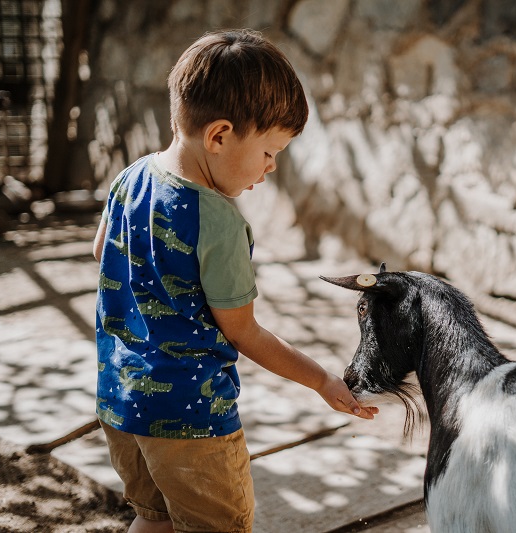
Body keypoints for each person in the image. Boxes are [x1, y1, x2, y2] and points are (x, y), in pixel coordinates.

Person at [92, 29, 377, 533]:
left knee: (153, 520)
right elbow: (243, 332)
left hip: (120, 400)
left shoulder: (131, 177)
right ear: (219, 136)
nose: (270, 168)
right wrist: (321, 380)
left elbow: (102, 252)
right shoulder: (218, 223)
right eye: (270, 151)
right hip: (191, 421)